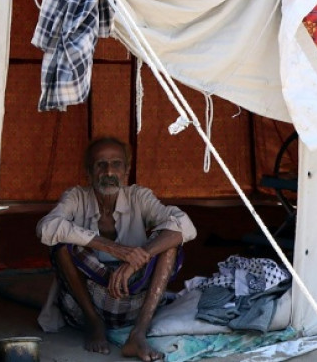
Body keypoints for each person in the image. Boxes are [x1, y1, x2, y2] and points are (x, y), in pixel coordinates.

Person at [36, 137, 197, 361]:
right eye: (100, 164)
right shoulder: (76, 197)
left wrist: (136, 260)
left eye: (116, 164)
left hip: (134, 298)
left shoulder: (138, 196)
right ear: (89, 172)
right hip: (87, 301)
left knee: (169, 243)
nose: (109, 171)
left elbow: (185, 225)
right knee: (61, 245)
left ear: (127, 170)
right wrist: (113, 249)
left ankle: (138, 333)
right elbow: (46, 228)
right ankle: (94, 323)